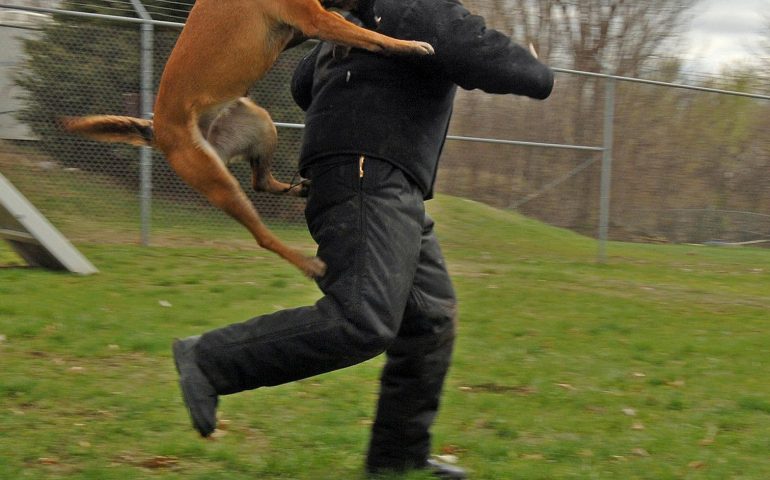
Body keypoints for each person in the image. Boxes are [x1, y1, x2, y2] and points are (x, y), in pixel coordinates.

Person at [172, 0, 553, 477]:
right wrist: (536, 65)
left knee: (430, 317)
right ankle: (210, 360)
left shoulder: (360, 18)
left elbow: (301, 85)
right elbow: (512, 70)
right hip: (367, 175)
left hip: (379, 180)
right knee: (361, 319)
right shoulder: (420, 8)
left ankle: (398, 461)